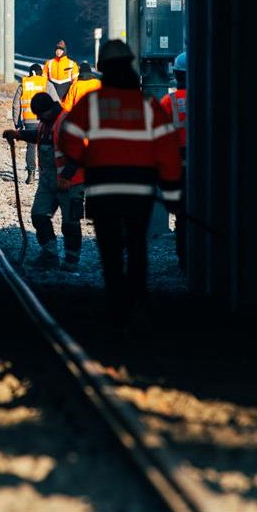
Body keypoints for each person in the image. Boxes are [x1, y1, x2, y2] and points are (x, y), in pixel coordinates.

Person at [56, 39, 182, 321]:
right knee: (137, 245)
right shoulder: (147, 106)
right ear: (129, 68)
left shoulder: (92, 104)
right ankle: (137, 302)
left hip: (103, 189)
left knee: (110, 250)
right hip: (139, 190)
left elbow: (68, 137)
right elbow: (167, 151)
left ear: (103, 70)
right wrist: (173, 195)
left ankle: (116, 305)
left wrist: (88, 159)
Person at [3, 93, 84, 270]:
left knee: (70, 223)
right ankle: (50, 255)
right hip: (48, 182)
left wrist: (66, 177)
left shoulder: (67, 122)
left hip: (70, 183)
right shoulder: (47, 122)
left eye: (40, 114)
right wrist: (19, 134)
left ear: (48, 110)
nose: (38, 118)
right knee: (39, 216)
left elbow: (79, 152)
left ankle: (71, 261)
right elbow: (39, 136)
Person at [160, 52, 189, 272]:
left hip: (176, 165)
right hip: (203, 165)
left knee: (181, 214)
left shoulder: (168, 102)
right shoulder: (207, 95)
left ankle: (184, 259)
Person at [15, 64, 48, 183]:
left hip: (28, 121)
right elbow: (55, 101)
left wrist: (17, 123)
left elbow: (16, 105)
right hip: (43, 122)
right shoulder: (45, 83)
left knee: (31, 147)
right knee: (43, 147)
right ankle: (43, 174)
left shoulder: (23, 84)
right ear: (40, 73)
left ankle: (31, 174)